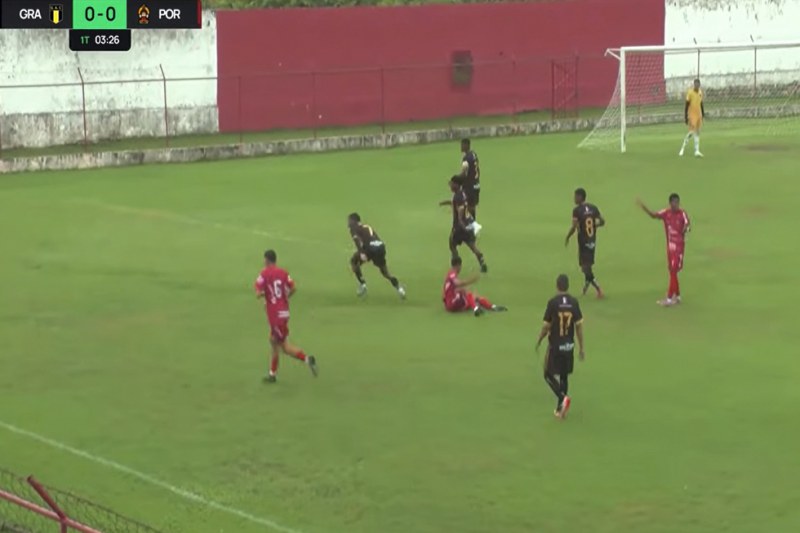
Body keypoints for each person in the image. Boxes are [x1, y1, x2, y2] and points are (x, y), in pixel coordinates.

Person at [254, 249, 318, 382]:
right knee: (273, 341)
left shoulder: (264, 274)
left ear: (266, 260)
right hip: (284, 312)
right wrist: (284, 298)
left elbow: (258, 293)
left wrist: (267, 296)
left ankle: (307, 360)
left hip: (275, 316)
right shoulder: (283, 273)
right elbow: (293, 288)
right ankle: (272, 374)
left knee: (284, 347)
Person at [536, 274, 584, 419]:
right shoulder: (574, 302)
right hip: (569, 345)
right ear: (567, 286)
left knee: (548, 374)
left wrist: (539, 339)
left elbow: (546, 326)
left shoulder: (553, 303)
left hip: (556, 345)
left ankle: (562, 398)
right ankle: (560, 410)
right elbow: (579, 327)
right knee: (564, 376)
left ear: (557, 286)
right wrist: (581, 348)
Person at [637, 194, 691, 306]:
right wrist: (644, 208)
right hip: (670, 247)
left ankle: (669, 298)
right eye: (674, 202)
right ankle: (677, 296)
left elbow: (687, 224)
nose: (676, 205)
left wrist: (685, 229)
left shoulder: (682, 213)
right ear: (670, 203)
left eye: (678, 202)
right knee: (672, 271)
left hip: (679, 247)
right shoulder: (666, 213)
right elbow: (653, 215)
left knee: (673, 271)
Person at [347, 213, 406, 299]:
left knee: (354, 261)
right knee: (385, 272)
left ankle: (362, 285)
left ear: (354, 221)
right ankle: (399, 289)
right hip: (380, 247)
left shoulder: (354, 228)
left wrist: (362, 252)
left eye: (349, 221)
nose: (348, 223)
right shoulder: (366, 226)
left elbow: (357, 241)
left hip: (369, 248)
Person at [439, 175, 488, 273]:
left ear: (457, 185)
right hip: (467, 225)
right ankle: (482, 262)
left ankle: (456, 264)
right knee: (472, 246)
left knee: (452, 245)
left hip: (459, 227)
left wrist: (461, 225)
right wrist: (446, 202)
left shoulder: (458, 196)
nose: (450, 186)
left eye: (452, 184)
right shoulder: (462, 194)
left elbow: (460, 211)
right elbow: (458, 203)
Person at [565, 187, 605, 298]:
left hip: (583, 241)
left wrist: (568, 237)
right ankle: (586, 286)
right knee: (587, 265)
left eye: (575, 196)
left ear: (580, 197)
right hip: (592, 241)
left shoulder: (577, 211)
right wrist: (594, 226)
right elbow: (602, 221)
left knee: (585, 267)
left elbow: (574, 227)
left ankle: (599, 289)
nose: (574, 198)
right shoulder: (593, 208)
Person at [442, 257, 506, 316]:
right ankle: (477, 308)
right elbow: (458, 283)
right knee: (468, 292)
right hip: (453, 303)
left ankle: (489, 307)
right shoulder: (452, 274)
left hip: (449, 305)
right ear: (458, 265)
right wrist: (471, 280)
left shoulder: (448, 275)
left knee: (471, 296)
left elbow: (448, 291)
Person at [679, 78, 705, 157]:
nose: (697, 86)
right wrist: (685, 116)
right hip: (692, 115)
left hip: (698, 115)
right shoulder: (690, 92)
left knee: (697, 132)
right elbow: (686, 105)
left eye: (698, 84)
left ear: (699, 85)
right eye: (695, 84)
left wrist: (703, 113)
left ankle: (697, 151)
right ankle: (682, 148)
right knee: (691, 132)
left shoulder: (700, 92)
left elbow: (701, 103)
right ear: (694, 84)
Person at [459, 138, 481, 220]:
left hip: (470, 187)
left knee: (468, 208)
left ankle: (471, 225)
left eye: (462, 145)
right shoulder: (474, 155)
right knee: (472, 208)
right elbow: (477, 170)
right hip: (476, 185)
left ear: (466, 145)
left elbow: (464, 173)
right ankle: (473, 224)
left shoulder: (466, 158)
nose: (461, 147)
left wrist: (456, 181)